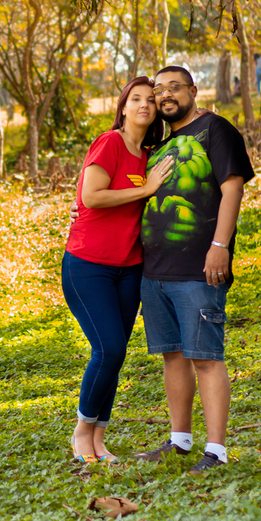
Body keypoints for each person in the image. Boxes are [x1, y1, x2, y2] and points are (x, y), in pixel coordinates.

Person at [132, 66, 255, 474]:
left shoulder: (215, 130)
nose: (165, 95)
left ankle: (215, 450)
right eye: (158, 89)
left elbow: (232, 186)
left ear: (193, 91)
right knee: (172, 357)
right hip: (155, 272)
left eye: (174, 87)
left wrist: (220, 246)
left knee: (205, 358)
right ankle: (180, 440)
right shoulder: (164, 144)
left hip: (198, 269)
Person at [63, 77, 174, 464]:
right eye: (136, 98)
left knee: (116, 353)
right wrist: (145, 190)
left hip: (130, 268)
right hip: (88, 265)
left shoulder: (151, 157)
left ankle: (98, 440)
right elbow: (90, 196)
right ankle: (81, 433)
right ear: (124, 107)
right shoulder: (109, 142)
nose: (144, 104)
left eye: (151, 100)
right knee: (107, 347)